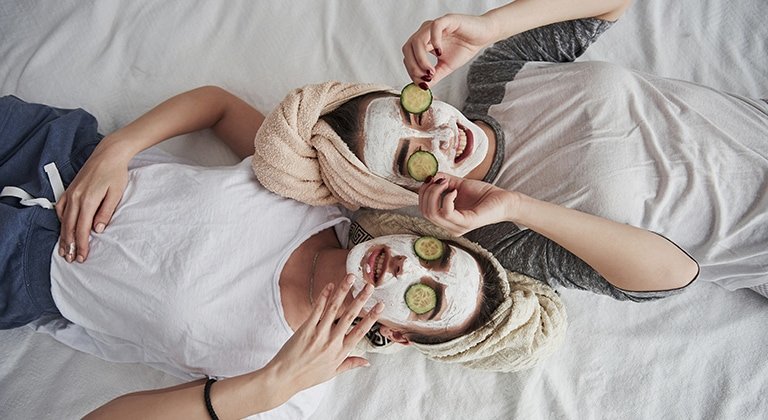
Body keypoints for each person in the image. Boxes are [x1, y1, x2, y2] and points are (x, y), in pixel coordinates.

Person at [1, 92, 565, 419]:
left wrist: (269, 385)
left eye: (425, 298)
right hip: (55, 149)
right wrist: (118, 148)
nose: (406, 267)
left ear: (396, 335)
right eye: (432, 253)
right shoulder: (315, 194)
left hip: (23, 273)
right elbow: (217, 105)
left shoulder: (292, 388)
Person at [251, 0, 768, 298]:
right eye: (412, 157)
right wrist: (520, 206)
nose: (439, 136)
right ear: (401, 192)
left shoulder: (499, 75)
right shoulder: (497, 234)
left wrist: (492, 27)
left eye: (412, 114)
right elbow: (674, 276)